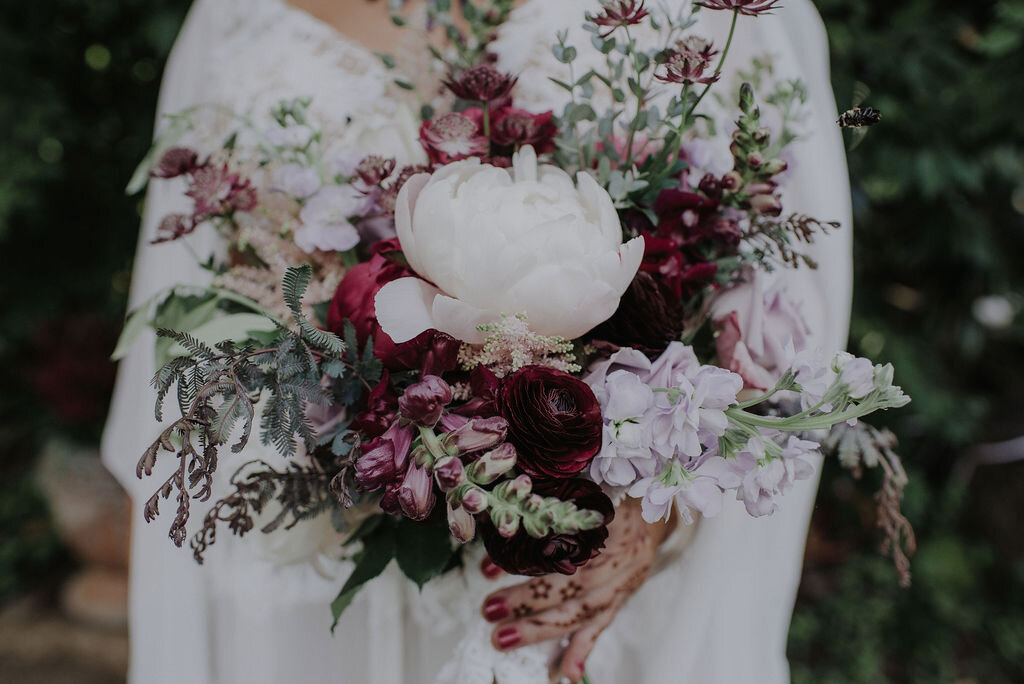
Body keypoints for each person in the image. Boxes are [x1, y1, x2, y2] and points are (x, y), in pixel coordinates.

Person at [102, 0, 852, 682]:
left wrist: (667, 506)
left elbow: (789, 317)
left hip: (590, 587)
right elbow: (178, 338)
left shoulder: (743, 16)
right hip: (301, 571)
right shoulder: (228, 19)